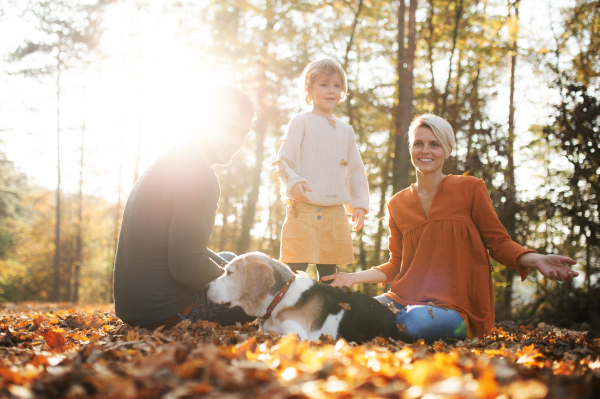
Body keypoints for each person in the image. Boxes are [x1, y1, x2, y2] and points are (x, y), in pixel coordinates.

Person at [322, 114, 579, 341]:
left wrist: (536, 260)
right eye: (419, 143)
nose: (426, 150)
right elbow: (397, 265)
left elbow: (498, 243)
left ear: (448, 150)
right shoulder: (397, 203)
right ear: (410, 147)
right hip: (400, 299)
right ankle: (377, 324)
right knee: (348, 312)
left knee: (414, 322)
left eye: (435, 144)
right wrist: (352, 277)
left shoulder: (470, 189)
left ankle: (383, 326)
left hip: (458, 309)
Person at [113, 85, 257, 330]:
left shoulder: (175, 159)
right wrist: (249, 290)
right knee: (255, 292)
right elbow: (187, 266)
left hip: (134, 306)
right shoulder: (199, 174)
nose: (236, 142)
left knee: (233, 261)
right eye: (230, 129)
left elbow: (188, 250)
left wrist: (233, 272)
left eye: (242, 134)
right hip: (166, 310)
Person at [274, 59, 370, 282]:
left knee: (330, 278)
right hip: (304, 209)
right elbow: (284, 160)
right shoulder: (301, 122)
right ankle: (283, 313)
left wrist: (359, 204)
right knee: (292, 274)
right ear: (309, 89)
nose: (331, 91)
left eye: (337, 85)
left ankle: (332, 314)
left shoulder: (346, 131)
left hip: (334, 213)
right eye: (324, 84)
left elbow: (355, 170)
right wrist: (294, 182)